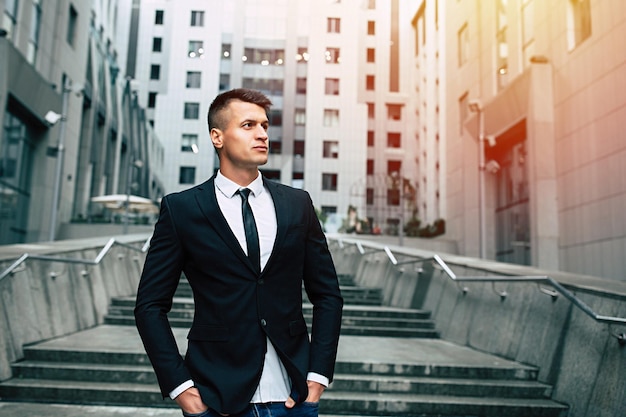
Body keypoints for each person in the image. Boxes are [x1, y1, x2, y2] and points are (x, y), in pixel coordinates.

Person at [134, 88, 343, 417]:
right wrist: (181, 388)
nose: (262, 134)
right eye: (248, 125)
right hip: (217, 398)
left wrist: (317, 377)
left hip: (294, 397)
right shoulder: (182, 209)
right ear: (217, 137)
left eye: (264, 125)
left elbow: (328, 294)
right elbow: (149, 305)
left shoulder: (297, 204)